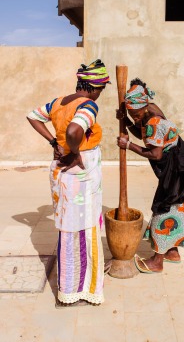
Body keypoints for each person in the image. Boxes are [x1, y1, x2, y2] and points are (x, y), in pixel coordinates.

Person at [27, 59, 110, 306]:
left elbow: (33, 116)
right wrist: (74, 153)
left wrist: (54, 143)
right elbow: (75, 131)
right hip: (78, 175)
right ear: (94, 88)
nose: (100, 95)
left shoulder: (59, 102)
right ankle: (82, 287)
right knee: (83, 228)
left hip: (62, 174)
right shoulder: (88, 105)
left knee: (68, 227)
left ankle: (69, 283)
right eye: (101, 90)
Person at [117, 78, 184, 273]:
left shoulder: (154, 120)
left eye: (135, 114)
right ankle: (172, 252)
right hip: (182, 164)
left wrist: (128, 145)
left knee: (165, 209)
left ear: (144, 107)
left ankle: (157, 261)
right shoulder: (147, 112)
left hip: (179, 169)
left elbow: (155, 153)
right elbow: (146, 136)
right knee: (177, 208)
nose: (135, 117)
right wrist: (127, 121)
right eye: (131, 114)